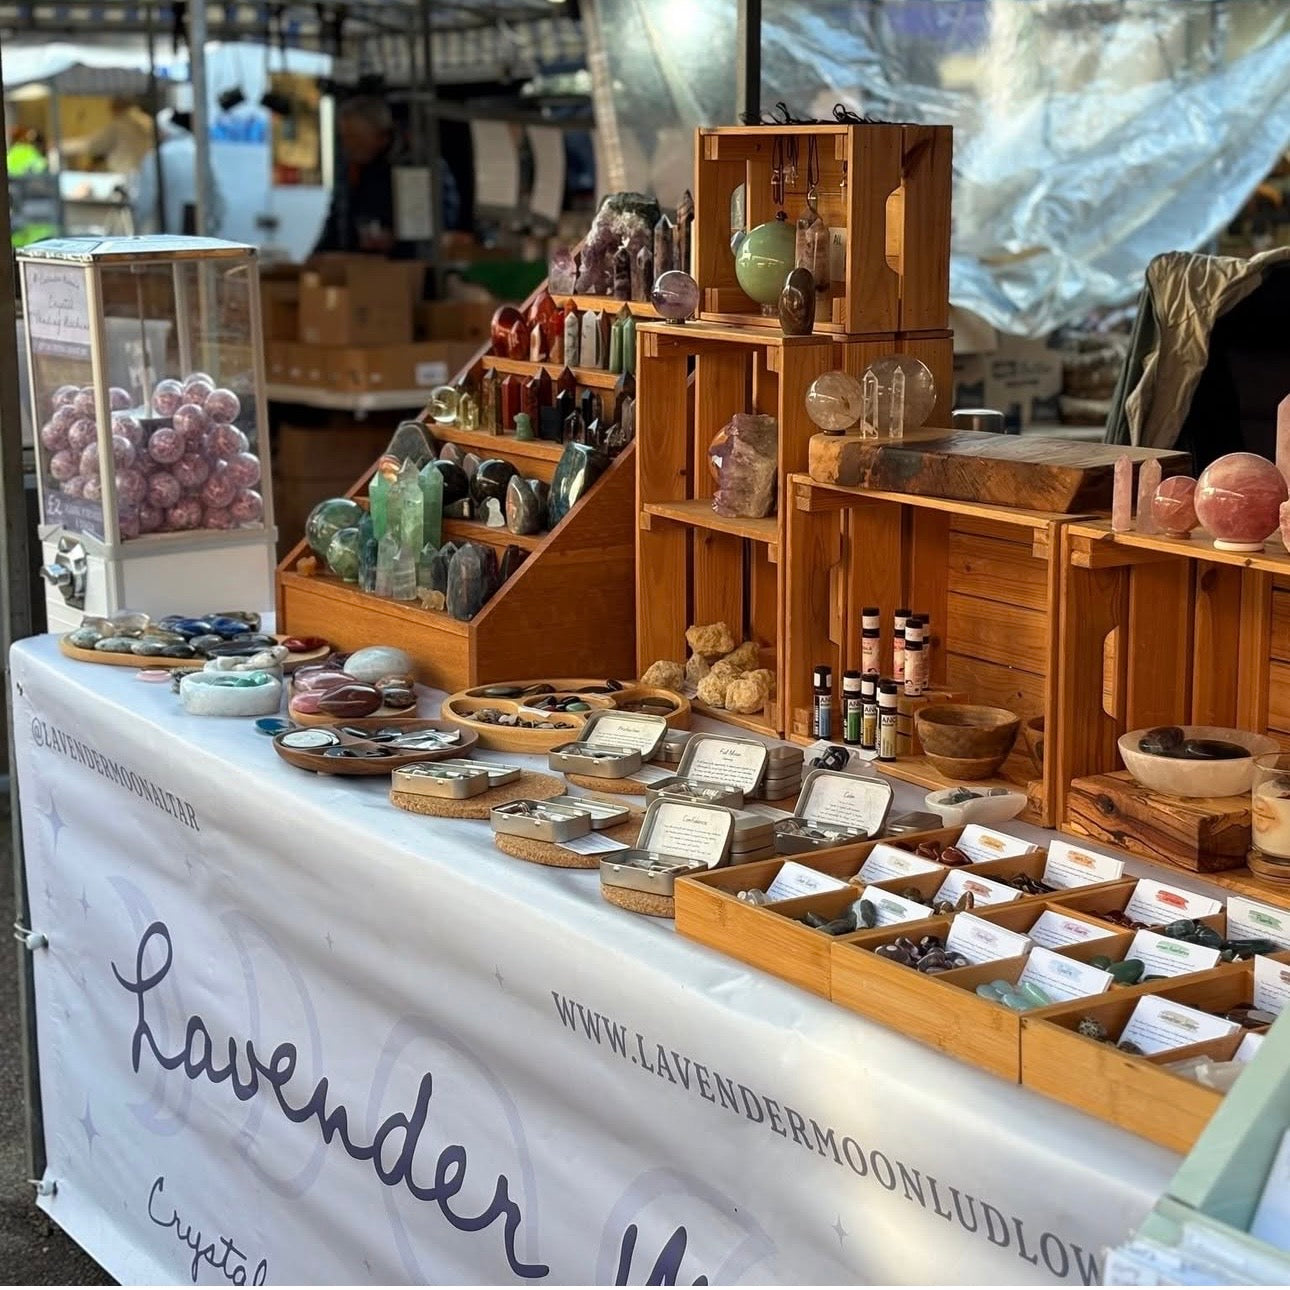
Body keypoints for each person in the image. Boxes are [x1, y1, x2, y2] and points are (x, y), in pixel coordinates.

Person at [312, 95, 459, 258]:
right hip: (357, 264)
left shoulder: (418, 166)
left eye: (355, 138)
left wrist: (396, 240)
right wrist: (317, 256)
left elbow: (439, 224)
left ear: (381, 136)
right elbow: (337, 220)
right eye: (344, 137)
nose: (348, 145)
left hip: (406, 266)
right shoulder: (350, 168)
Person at [130, 111, 225, 236]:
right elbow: (217, 194)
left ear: (165, 130)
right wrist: (215, 224)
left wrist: (135, 226)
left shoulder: (158, 157)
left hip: (167, 231)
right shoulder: (202, 154)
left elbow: (145, 198)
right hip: (200, 229)